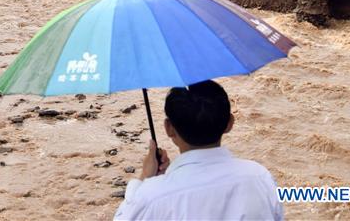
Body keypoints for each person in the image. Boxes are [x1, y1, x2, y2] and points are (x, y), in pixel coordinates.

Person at [114, 80, 283, 221]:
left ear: (168, 128)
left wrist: (145, 178)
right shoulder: (259, 177)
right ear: (229, 124)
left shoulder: (151, 197)